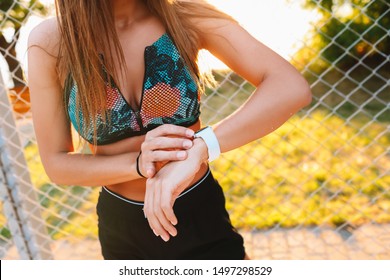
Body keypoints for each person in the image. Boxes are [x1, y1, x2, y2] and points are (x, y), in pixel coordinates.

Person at [27, 0, 312, 260]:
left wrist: (201, 148)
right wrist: (139, 164)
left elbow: (290, 87)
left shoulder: (186, 18)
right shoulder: (52, 42)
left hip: (198, 210)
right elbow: (56, 164)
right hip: (122, 228)